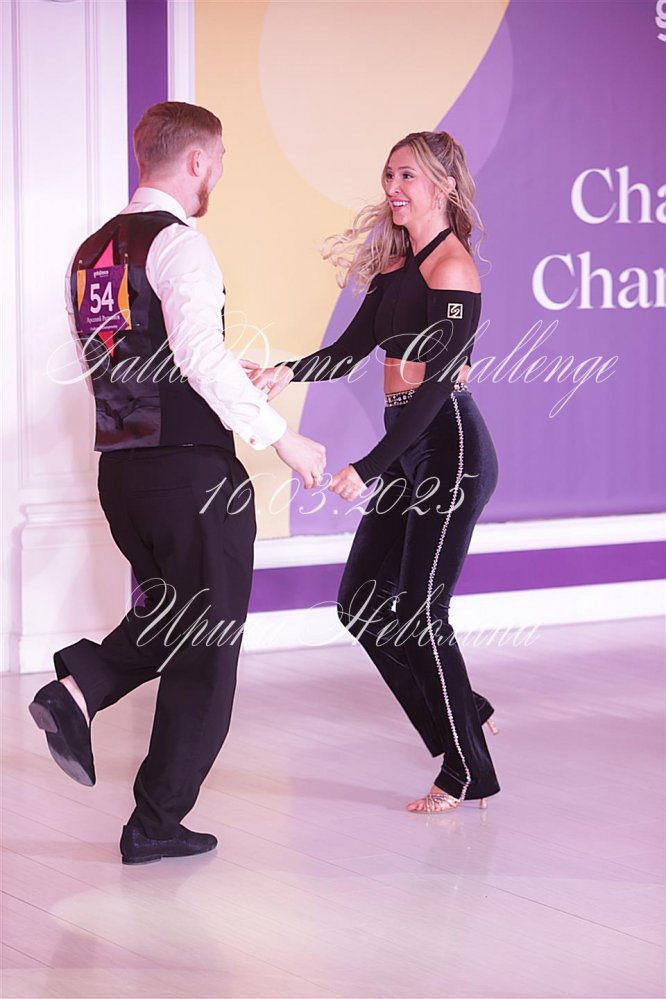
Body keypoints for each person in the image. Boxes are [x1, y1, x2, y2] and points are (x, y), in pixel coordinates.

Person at [28, 101, 326, 863]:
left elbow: (132, 358)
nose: (218, 172)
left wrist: (220, 379)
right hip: (192, 474)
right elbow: (195, 356)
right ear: (196, 160)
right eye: (218, 159)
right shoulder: (180, 243)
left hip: (124, 472)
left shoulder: (92, 251)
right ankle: (153, 814)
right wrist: (283, 437)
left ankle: (84, 694)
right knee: (208, 649)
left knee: (179, 617)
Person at [251, 131, 500, 813]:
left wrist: (369, 466)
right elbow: (351, 349)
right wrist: (285, 371)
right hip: (408, 446)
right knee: (361, 603)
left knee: (420, 610)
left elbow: (436, 387)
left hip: (448, 448)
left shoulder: (453, 268)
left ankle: (466, 769)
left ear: (444, 185)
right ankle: (465, 713)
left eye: (407, 175)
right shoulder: (396, 268)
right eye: (389, 174)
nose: (392, 187)